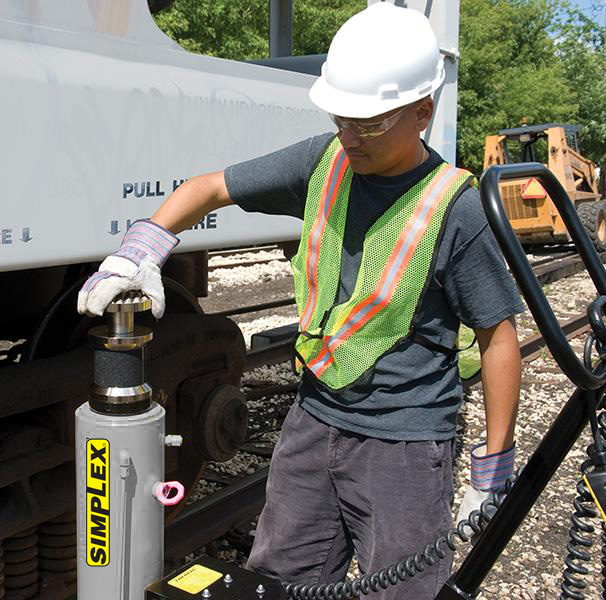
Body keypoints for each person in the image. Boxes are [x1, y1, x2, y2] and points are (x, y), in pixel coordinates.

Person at [78, 3, 523, 598]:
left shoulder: (455, 209)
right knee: (278, 581)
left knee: (403, 591)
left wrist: (492, 467)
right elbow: (208, 187)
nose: (349, 135)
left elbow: (498, 339)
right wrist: (139, 251)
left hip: (406, 444)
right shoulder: (326, 161)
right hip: (314, 422)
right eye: (342, 118)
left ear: (423, 112)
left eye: (368, 124)